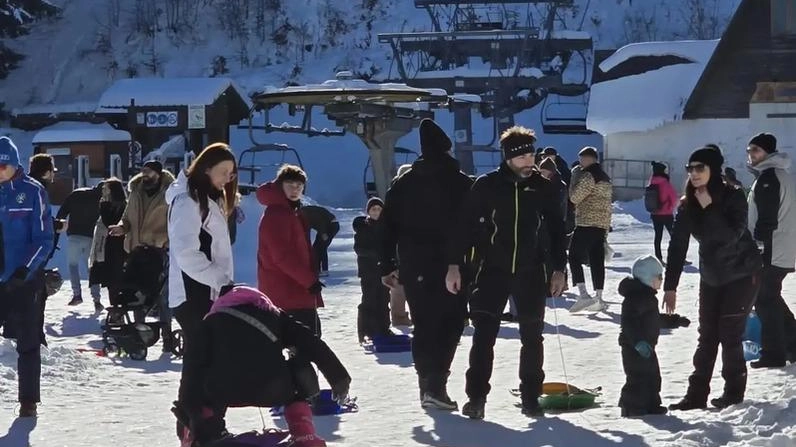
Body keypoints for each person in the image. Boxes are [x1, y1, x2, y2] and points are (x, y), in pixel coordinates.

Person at [446, 126, 567, 419]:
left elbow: (557, 229)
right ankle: (476, 398)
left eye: (533, 154)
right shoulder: (487, 185)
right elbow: (464, 227)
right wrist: (454, 264)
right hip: (491, 271)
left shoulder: (543, 186)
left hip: (530, 271)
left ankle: (531, 398)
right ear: (510, 157)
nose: (530, 161)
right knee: (484, 336)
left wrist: (559, 269)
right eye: (524, 156)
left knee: (533, 337)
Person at [174, 285, 351, 447]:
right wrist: (339, 377)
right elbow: (312, 343)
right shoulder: (274, 315)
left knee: (204, 385)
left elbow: (192, 367)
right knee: (299, 365)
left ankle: (208, 435)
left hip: (223, 390)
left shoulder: (208, 323)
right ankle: (303, 434)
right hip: (274, 387)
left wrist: (189, 411)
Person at [381, 118, 473, 410]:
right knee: (451, 322)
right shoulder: (460, 182)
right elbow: (470, 226)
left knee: (423, 324)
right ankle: (437, 384)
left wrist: (386, 264)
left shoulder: (403, 183)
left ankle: (427, 386)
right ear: (446, 148)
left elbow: (386, 226)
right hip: (452, 265)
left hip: (413, 264)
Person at [664, 146, 762, 411]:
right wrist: (670, 286)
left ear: (713, 170)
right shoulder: (688, 203)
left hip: (742, 273)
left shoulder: (733, 196)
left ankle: (733, 394)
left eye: (700, 168)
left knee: (729, 333)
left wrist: (711, 208)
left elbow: (731, 237)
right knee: (707, 335)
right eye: (690, 168)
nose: (694, 174)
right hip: (712, 275)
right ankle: (695, 396)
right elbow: (677, 245)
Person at [166, 143, 237, 415]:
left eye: (231, 174)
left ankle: (202, 415)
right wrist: (219, 279)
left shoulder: (207, 199)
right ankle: (193, 415)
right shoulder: (187, 201)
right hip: (192, 292)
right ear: (206, 169)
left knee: (207, 356)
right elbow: (186, 252)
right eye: (223, 172)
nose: (227, 179)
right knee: (200, 355)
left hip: (208, 291)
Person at [0, 136, 55, 417]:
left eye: (2, 165)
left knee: (28, 341)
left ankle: (28, 400)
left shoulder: (33, 192)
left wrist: (25, 269)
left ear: (14, 164)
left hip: (23, 278)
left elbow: (45, 238)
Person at [109, 160, 175, 347]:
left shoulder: (170, 194)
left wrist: (168, 239)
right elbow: (127, 217)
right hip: (137, 248)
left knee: (160, 294)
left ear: (159, 174)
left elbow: (176, 220)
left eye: (149, 172)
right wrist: (122, 228)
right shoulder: (136, 191)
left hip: (159, 248)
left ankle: (167, 335)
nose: (145, 175)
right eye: (143, 172)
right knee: (134, 289)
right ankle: (139, 331)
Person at [745, 133, 796, 368]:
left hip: (772, 250)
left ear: (768, 153)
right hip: (781, 249)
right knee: (770, 298)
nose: (751, 155)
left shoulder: (768, 178)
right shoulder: (779, 175)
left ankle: (774, 354)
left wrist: (759, 248)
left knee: (764, 300)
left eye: (756, 150)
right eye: (749, 150)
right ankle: (792, 346)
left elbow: (766, 220)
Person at [257, 164, 324, 335]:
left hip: (292, 290)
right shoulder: (277, 214)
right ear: (280, 186)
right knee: (308, 342)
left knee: (304, 343)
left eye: (299, 186)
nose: (295, 190)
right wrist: (309, 281)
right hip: (287, 291)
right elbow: (281, 256)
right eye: (290, 185)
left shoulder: (290, 211)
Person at [618, 255, 666, 417]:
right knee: (637, 377)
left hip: (648, 347)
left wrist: (675, 321)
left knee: (653, 376)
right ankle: (630, 405)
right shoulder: (635, 298)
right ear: (648, 278)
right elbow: (629, 323)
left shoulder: (649, 298)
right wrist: (638, 342)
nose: (662, 279)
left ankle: (652, 403)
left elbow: (654, 318)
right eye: (659, 276)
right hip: (633, 347)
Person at [568, 146, 613, 313]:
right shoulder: (606, 178)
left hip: (586, 223)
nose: (580, 163)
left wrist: (574, 178)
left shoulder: (588, 176)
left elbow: (574, 197)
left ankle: (583, 294)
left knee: (573, 256)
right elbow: (608, 205)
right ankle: (599, 297)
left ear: (590, 159)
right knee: (596, 260)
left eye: (582, 159)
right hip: (601, 225)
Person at [56, 183, 101, 306]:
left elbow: (62, 212)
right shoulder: (101, 199)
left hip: (74, 235)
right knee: (92, 268)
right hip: (91, 237)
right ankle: (96, 298)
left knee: (73, 265)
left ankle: (77, 295)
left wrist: (58, 227)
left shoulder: (76, 193)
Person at [353, 197, 392, 342]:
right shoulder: (363, 227)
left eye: (379, 209)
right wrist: (376, 255)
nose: (376, 212)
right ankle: (367, 330)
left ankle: (383, 328)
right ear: (368, 211)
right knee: (369, 300)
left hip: (383, 271)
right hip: (368, 271)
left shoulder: (386, 227)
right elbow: (359, 248)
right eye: (373, 209)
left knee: (383, 300)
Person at [88, 178, 128, 311]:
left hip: (116, 247)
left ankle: (118, 310)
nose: (103, 192)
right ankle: (116, 308)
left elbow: (109, 223)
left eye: (106, 189)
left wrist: (103, 207)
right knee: (112, 281)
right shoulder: (111, 205)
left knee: (115, 281)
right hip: (108, 248)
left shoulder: (120, 207)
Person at [647, 161, 679, 264]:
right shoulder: (665, 183)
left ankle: (659, 258)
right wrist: (670, 207)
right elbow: (674, 198)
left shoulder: (651, 183)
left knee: (658, 236)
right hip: (666, 214)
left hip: (655, 214)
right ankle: (677, 256)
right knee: (674, 236)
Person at [301, 205, 340, 277]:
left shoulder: (306, 212)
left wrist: (323, 233)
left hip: (332, 225)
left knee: (322, 247)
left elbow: (320, 222)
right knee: (315, 248)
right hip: (324, 228)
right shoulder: (301, 216)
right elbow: (306, 230)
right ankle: (317, 270)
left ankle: (325, 270)